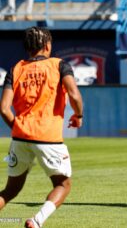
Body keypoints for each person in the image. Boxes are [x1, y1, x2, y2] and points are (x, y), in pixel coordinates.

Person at [0, 27, 84, 228]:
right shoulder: (59, 65)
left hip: (20, 137)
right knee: (63, 184)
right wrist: (78, 115)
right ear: (47, 45)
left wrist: (19, 128)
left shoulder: (15, 68)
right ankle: (36, 221)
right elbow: (74, 94)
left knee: (10, 190)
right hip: (48, 137)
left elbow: (4, 108)